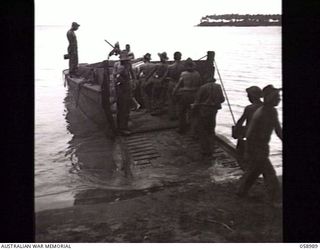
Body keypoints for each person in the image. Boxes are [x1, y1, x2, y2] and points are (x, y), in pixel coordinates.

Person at [237, 85, 282, 207]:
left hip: (263, 146)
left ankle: (241, 191)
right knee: (270, 173)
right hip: (255, 147)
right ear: (270, 99)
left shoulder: (272, 111)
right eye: (277, 97)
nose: (279, 99)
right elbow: (250, 134)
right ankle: (275, 199)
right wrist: (247, 151)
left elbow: (278, 130)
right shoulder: (261, 113)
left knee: (254, 171)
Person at [192, 74, 225, 156]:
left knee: (203, 130)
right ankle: (211, 148)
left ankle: (204, 150)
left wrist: (193, 107)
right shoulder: (218, 86)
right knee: (211, 129)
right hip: (214, 110)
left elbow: (197, 100)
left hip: (204, 110)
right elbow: (222, 99)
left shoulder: (203, 87)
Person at [233, 86, 263, 169]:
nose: (247, 97)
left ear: (252, 96)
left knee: (241, 155)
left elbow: (240, 121)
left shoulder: (249, 108)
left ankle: (246, 172)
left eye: (248, 95)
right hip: (262, 137)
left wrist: (236, 130)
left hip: (250, 136)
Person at [172, 58, 201, 134]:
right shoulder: (197, 74)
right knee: (193, 113)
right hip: (194, 94)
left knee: (182, 112)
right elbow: (200, 85)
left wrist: (174, 92)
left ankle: (182, 128)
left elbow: (178, 84)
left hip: (185, 94)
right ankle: (194, 131)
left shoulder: (183, 74)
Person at [113, 51, 134, 136]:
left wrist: (134, 81)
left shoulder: (128, 65)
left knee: (127, 108)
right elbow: (115, 77)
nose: (125, 61)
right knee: (122, 108)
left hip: (127, 88)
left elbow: (132, 74)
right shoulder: (119, 66)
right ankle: (122, 128)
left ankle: (124, 125)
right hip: (121, 89)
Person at [167, 51, 185, 120]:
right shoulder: (183, 67)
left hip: (171, 84)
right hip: (180, 84)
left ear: (174, 57)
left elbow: (167, 76)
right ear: (180, 57)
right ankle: (179, 116)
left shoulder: (170, 67)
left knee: (171, 101)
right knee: (179, 101)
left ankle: (172, 116)